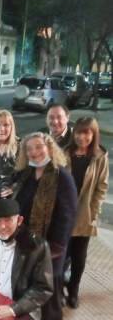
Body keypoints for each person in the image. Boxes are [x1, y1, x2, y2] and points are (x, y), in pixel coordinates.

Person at [14, 132, 77, 320]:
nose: (35, 152)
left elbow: (68, 213)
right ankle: (31, 313)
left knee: (52, 277)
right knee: (31, 275)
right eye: (29, 149)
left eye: (38, 147)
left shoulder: (61, 175)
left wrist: (58, 243)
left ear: (49, 147)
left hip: (52, 238)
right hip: (26, 235)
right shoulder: (25, 174)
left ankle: (54, 316)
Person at [64, 117, 108, 308]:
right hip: (63, 213)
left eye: (87, 132)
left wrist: (93, 212)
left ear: (94, 134)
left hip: (84, 214)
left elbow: (102, 187)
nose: (82, 137)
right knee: (61, 254)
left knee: (79, 256)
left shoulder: (99, 156)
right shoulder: (65, 153)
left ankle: (73, 291)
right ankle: (57, 288)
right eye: (79, 132)